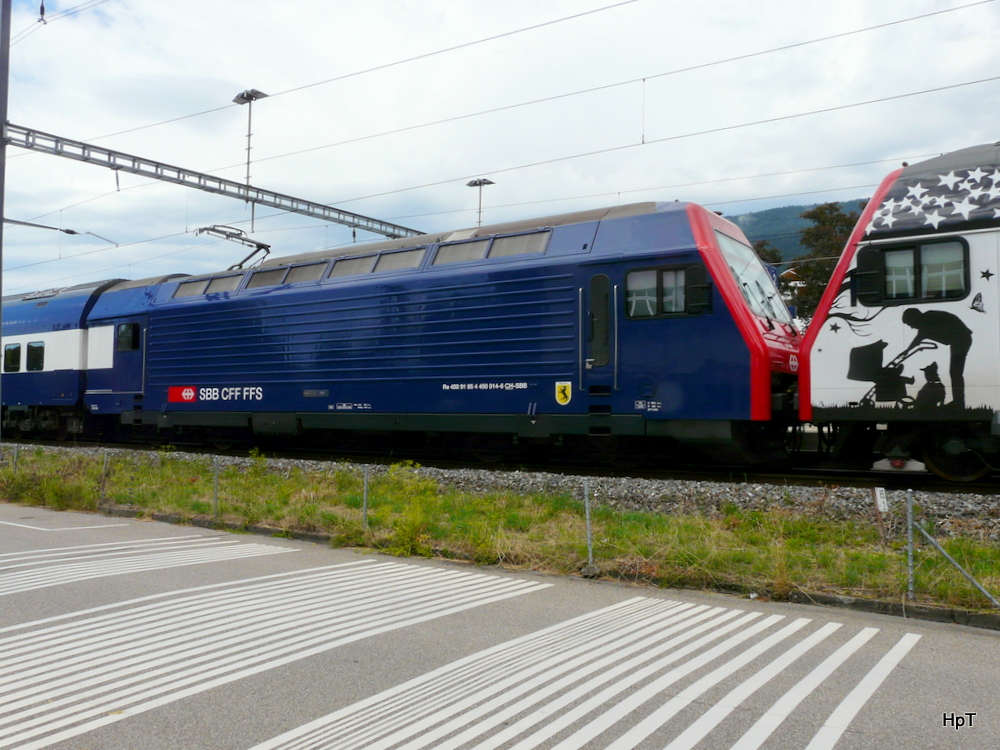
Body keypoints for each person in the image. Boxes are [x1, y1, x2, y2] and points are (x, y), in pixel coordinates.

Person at [900, 308, 972, 408]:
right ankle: (958, 401)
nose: (912, 327)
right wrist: (907, 351)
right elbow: (917, 340)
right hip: (958, 340)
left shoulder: (928, 319)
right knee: (955, 373)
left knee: (955, 372)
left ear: (914, 318)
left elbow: (918, 338)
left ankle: (959, 402)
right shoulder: (925, 323)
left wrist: (907, 351)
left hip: (961, 339)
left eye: (910, 324)